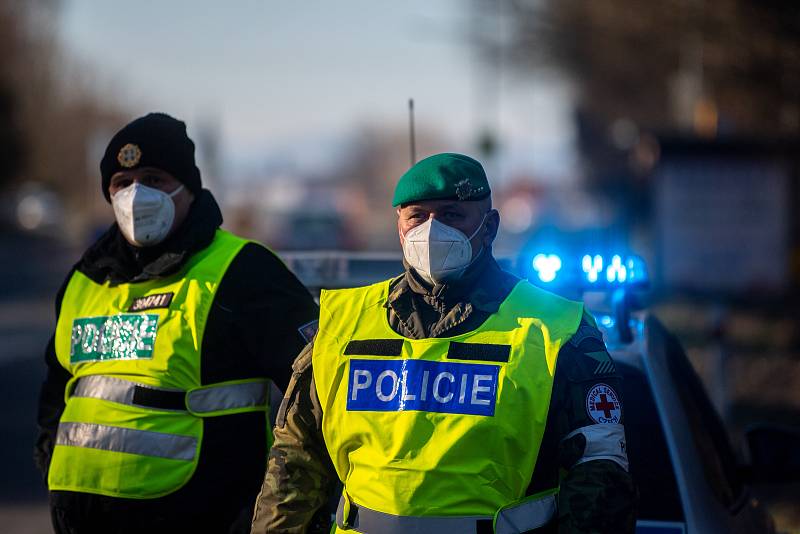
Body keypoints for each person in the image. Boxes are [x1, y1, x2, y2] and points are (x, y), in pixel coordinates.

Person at [251, 152, 636, 534]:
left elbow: (599, 472)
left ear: (489, 227)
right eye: (417, 216)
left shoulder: (555, 329)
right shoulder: (342, 325)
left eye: (451, 215)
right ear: (399, 226)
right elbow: (294, 464)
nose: (432, 230)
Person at [34, 112, 320, 533]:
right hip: (80, 519)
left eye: (154, 179)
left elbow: (316, 390)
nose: (137, 195)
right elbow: (57, 393)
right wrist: (50, 463)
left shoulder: (244, 271)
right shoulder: (84, 278)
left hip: (202, 517)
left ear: (188, 187)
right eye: (122, 183)